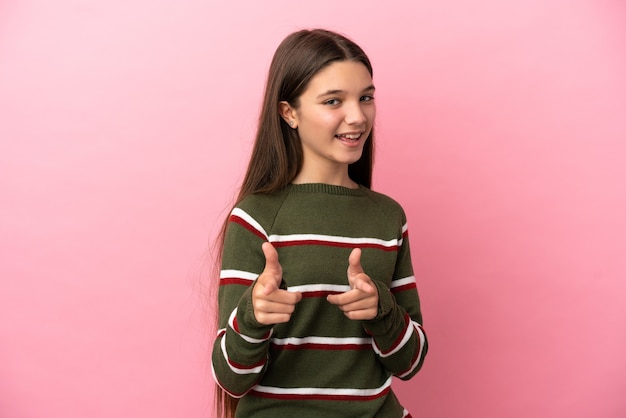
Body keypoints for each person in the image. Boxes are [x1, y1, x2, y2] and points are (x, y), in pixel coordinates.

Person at [211, 28, 428, 418]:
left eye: (366, 98)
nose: (358, 116)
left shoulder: (388, 216)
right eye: (333, 101)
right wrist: (253, 316)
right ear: (289, 113)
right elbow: (230, 378)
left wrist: (382, 309)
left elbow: (411, 363)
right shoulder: (255, 217)